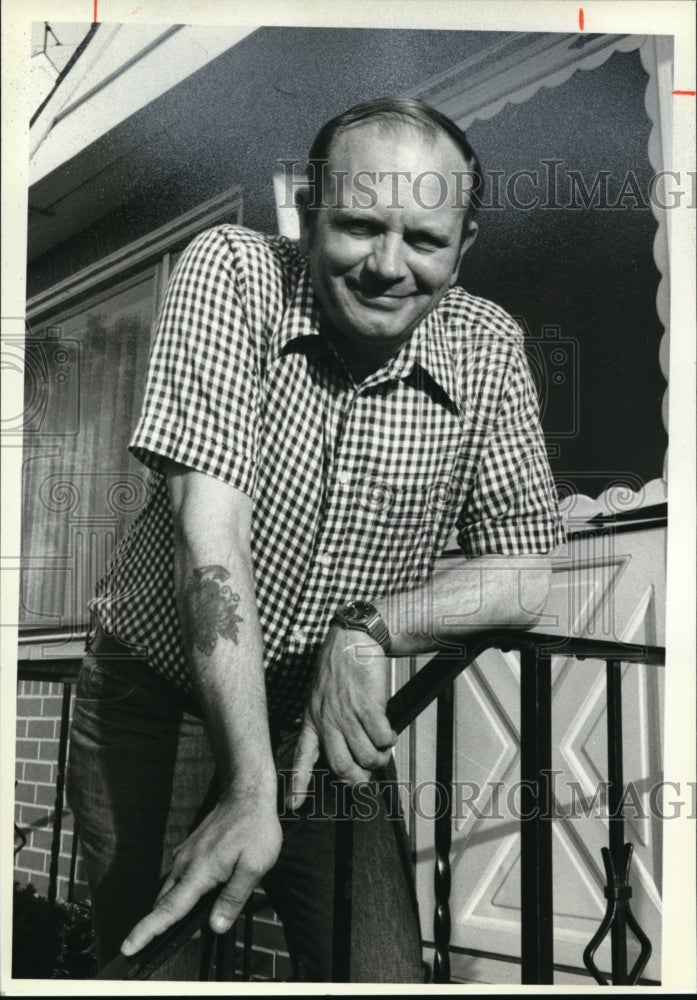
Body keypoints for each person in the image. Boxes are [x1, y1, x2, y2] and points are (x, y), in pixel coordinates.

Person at [66, 97, 564, 982]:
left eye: (423, 239)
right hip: (160, 693)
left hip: (318, 722)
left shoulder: (489, 347)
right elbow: (208, 539)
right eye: (359, 225)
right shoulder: (232, 270)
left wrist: (371, 627)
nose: (386, 266)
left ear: (465, 245)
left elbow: (527, 571)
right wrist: (249, 789)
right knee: (148, 964)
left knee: (376, 972)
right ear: (304, 210)